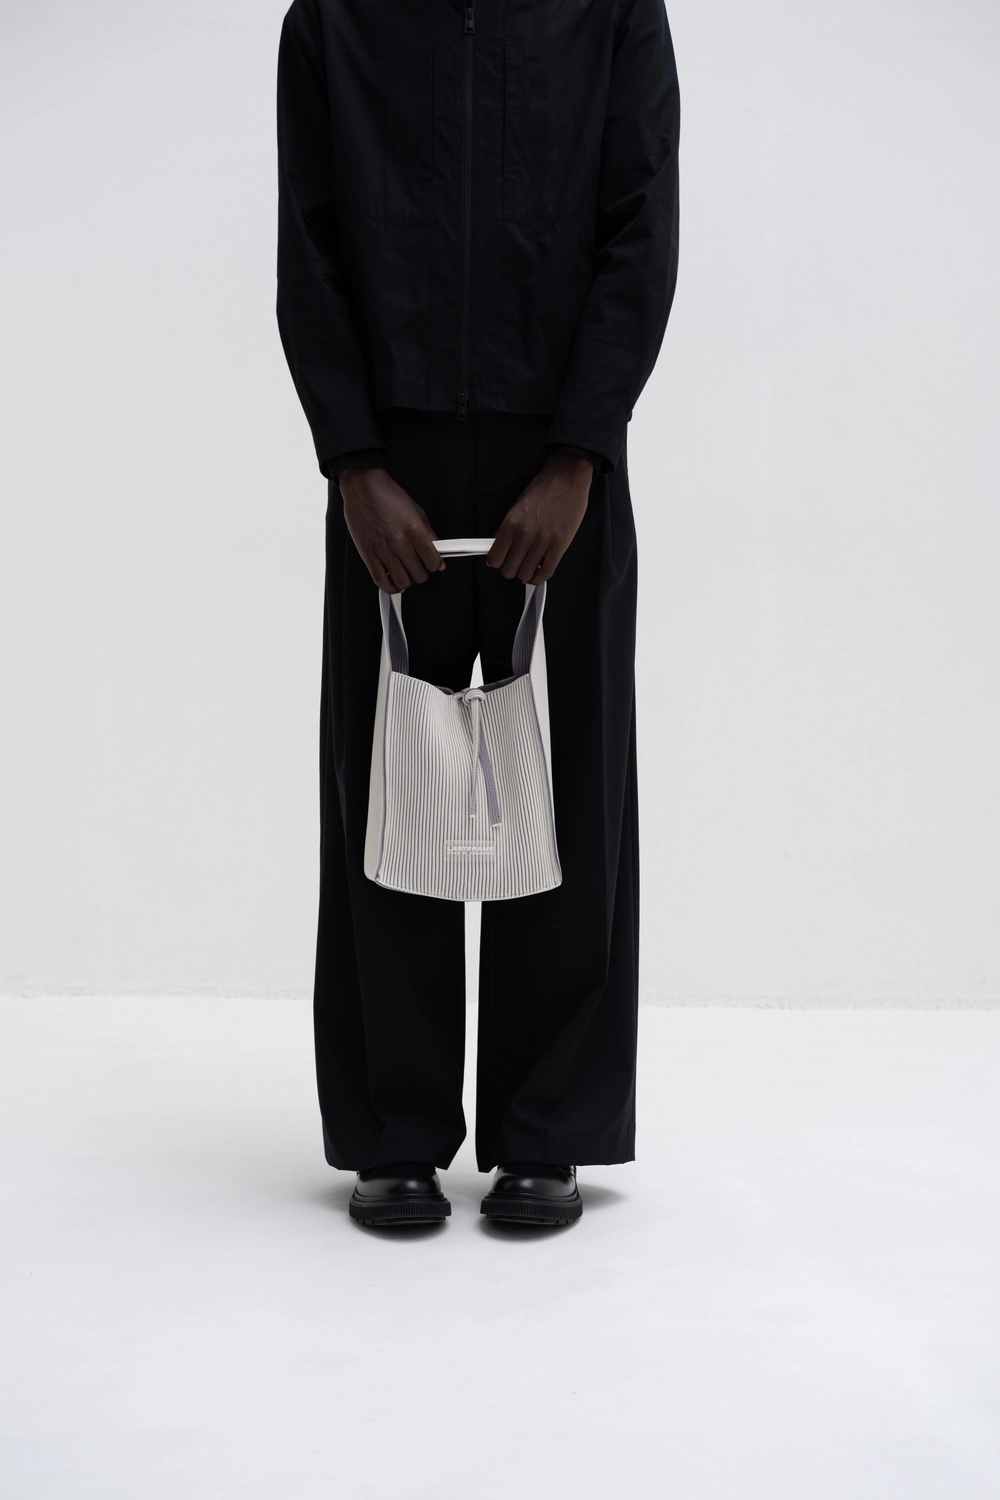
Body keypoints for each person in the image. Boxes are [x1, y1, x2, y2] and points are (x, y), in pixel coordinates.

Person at [276, 0, 680, 1228]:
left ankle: (545, 1129)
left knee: (564, 790)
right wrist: (352, 462)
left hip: (557, 468)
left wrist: (580, 453)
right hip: (387, 470)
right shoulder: (331, 20)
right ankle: (393, 1129)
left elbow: (639, 230)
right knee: (387, 789)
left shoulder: (611, 14)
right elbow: (308, 243)